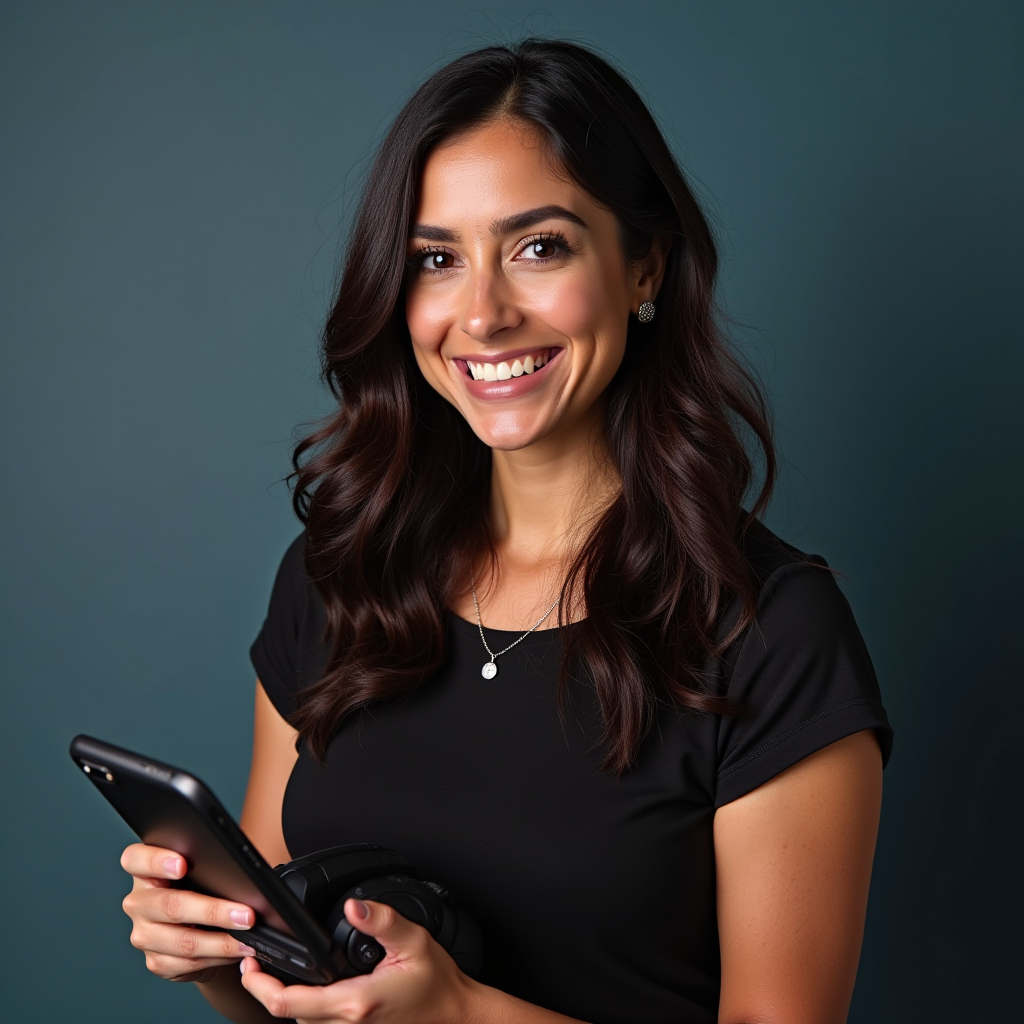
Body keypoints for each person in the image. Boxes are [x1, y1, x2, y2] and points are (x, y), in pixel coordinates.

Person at [118, 39, 892, 1024]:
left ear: (643, 264)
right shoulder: (335, 579)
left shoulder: (771, 632)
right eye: (436, 260)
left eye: (538, 246)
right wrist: (216, 960)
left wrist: (466, 1014)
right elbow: (301, 998)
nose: (480, 314)